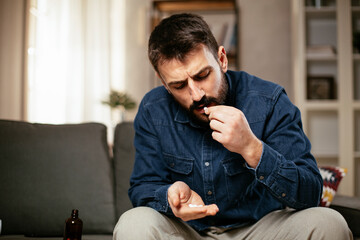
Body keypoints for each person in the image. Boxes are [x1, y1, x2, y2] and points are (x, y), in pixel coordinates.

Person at [113, 13, 352, 240]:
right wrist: (169, 197)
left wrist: (252, 149)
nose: (196, 95)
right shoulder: (153, 109)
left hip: (261, 229)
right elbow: (142, 188)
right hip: (187, 232)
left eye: (202, 75)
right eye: (178, 85)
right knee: (133, 222)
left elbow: (310, 193)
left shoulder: (270, 101)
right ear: (164, 83)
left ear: (222, 59)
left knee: (330, 223)